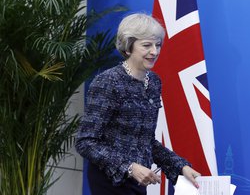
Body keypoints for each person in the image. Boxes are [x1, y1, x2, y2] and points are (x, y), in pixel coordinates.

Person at [75, 13, 201, 195]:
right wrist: (129, 167)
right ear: (128, 47)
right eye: (146, 45)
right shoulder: (108, 81)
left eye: (157, 45)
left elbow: (146, 141)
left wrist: (181, 167)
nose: (155, 52)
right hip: (110, 181)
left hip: (140, 179)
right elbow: (86, 142)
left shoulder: (153, 82)